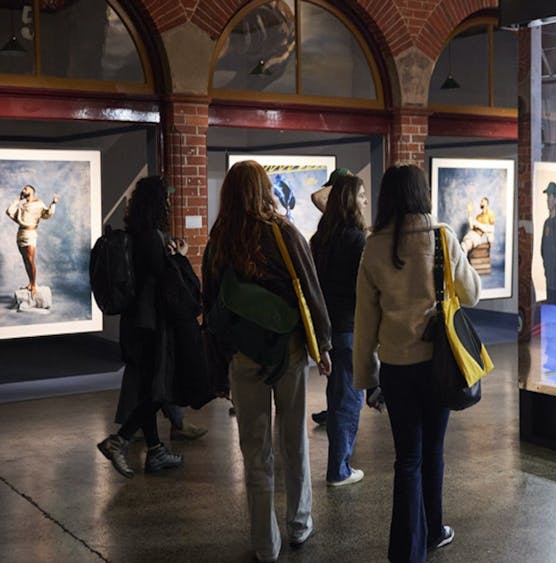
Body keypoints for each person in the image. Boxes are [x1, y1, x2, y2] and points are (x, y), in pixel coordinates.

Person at [203, 160, 333, 563]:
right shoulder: (284, 232)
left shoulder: (219, 241)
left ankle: (265, 543)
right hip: (290, 353)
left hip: (244, 358)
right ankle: (299, 524)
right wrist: (322, 344)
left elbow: (210, 310)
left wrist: (217, 369)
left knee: (254, 452)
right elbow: (310, 292)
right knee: (294, 441)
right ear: (264, 189)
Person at [354, 164, 481, 562]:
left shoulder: (374, 246)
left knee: (407, 458)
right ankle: (434, 530)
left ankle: (407, 550)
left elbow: (364, 322)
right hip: (436, 366)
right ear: (421, 194)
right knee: (434, 450)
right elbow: (473, 294)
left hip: (396, 368)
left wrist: (366, 378)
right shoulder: (441, 237)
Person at [96, 177, 187, 479]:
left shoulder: (134, 234)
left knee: (148, 386)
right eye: (166, 199)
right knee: (159, 389)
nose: (170, 203)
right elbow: (165, 278)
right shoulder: (150, 237)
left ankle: (156, 452)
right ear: (157, 203)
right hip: (149, 324)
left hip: (132, 324)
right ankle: (118, 440)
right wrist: (180, 256)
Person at [310, 171, 367, 487]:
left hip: (329, 329)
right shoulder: (356, 240)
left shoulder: (321, 238)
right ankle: (339, 469)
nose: (365, 201)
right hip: (349, 329)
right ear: (348, 200)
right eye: (360, 195)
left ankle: (339, 464)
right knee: (347, 401)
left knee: (337, 398)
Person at [6, 185, 59, 296]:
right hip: (20, 234)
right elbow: (9, 211)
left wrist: (53, 203)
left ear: (32, 191)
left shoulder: (38, 203)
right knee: (25, 260)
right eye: (23, 189)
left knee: (30, 260)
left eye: (26, 188)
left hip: (30, 234)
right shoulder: (22, 205)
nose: (23, 190)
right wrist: (17, 200)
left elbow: (47, 214)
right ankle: (30, 283)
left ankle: (34, 285)